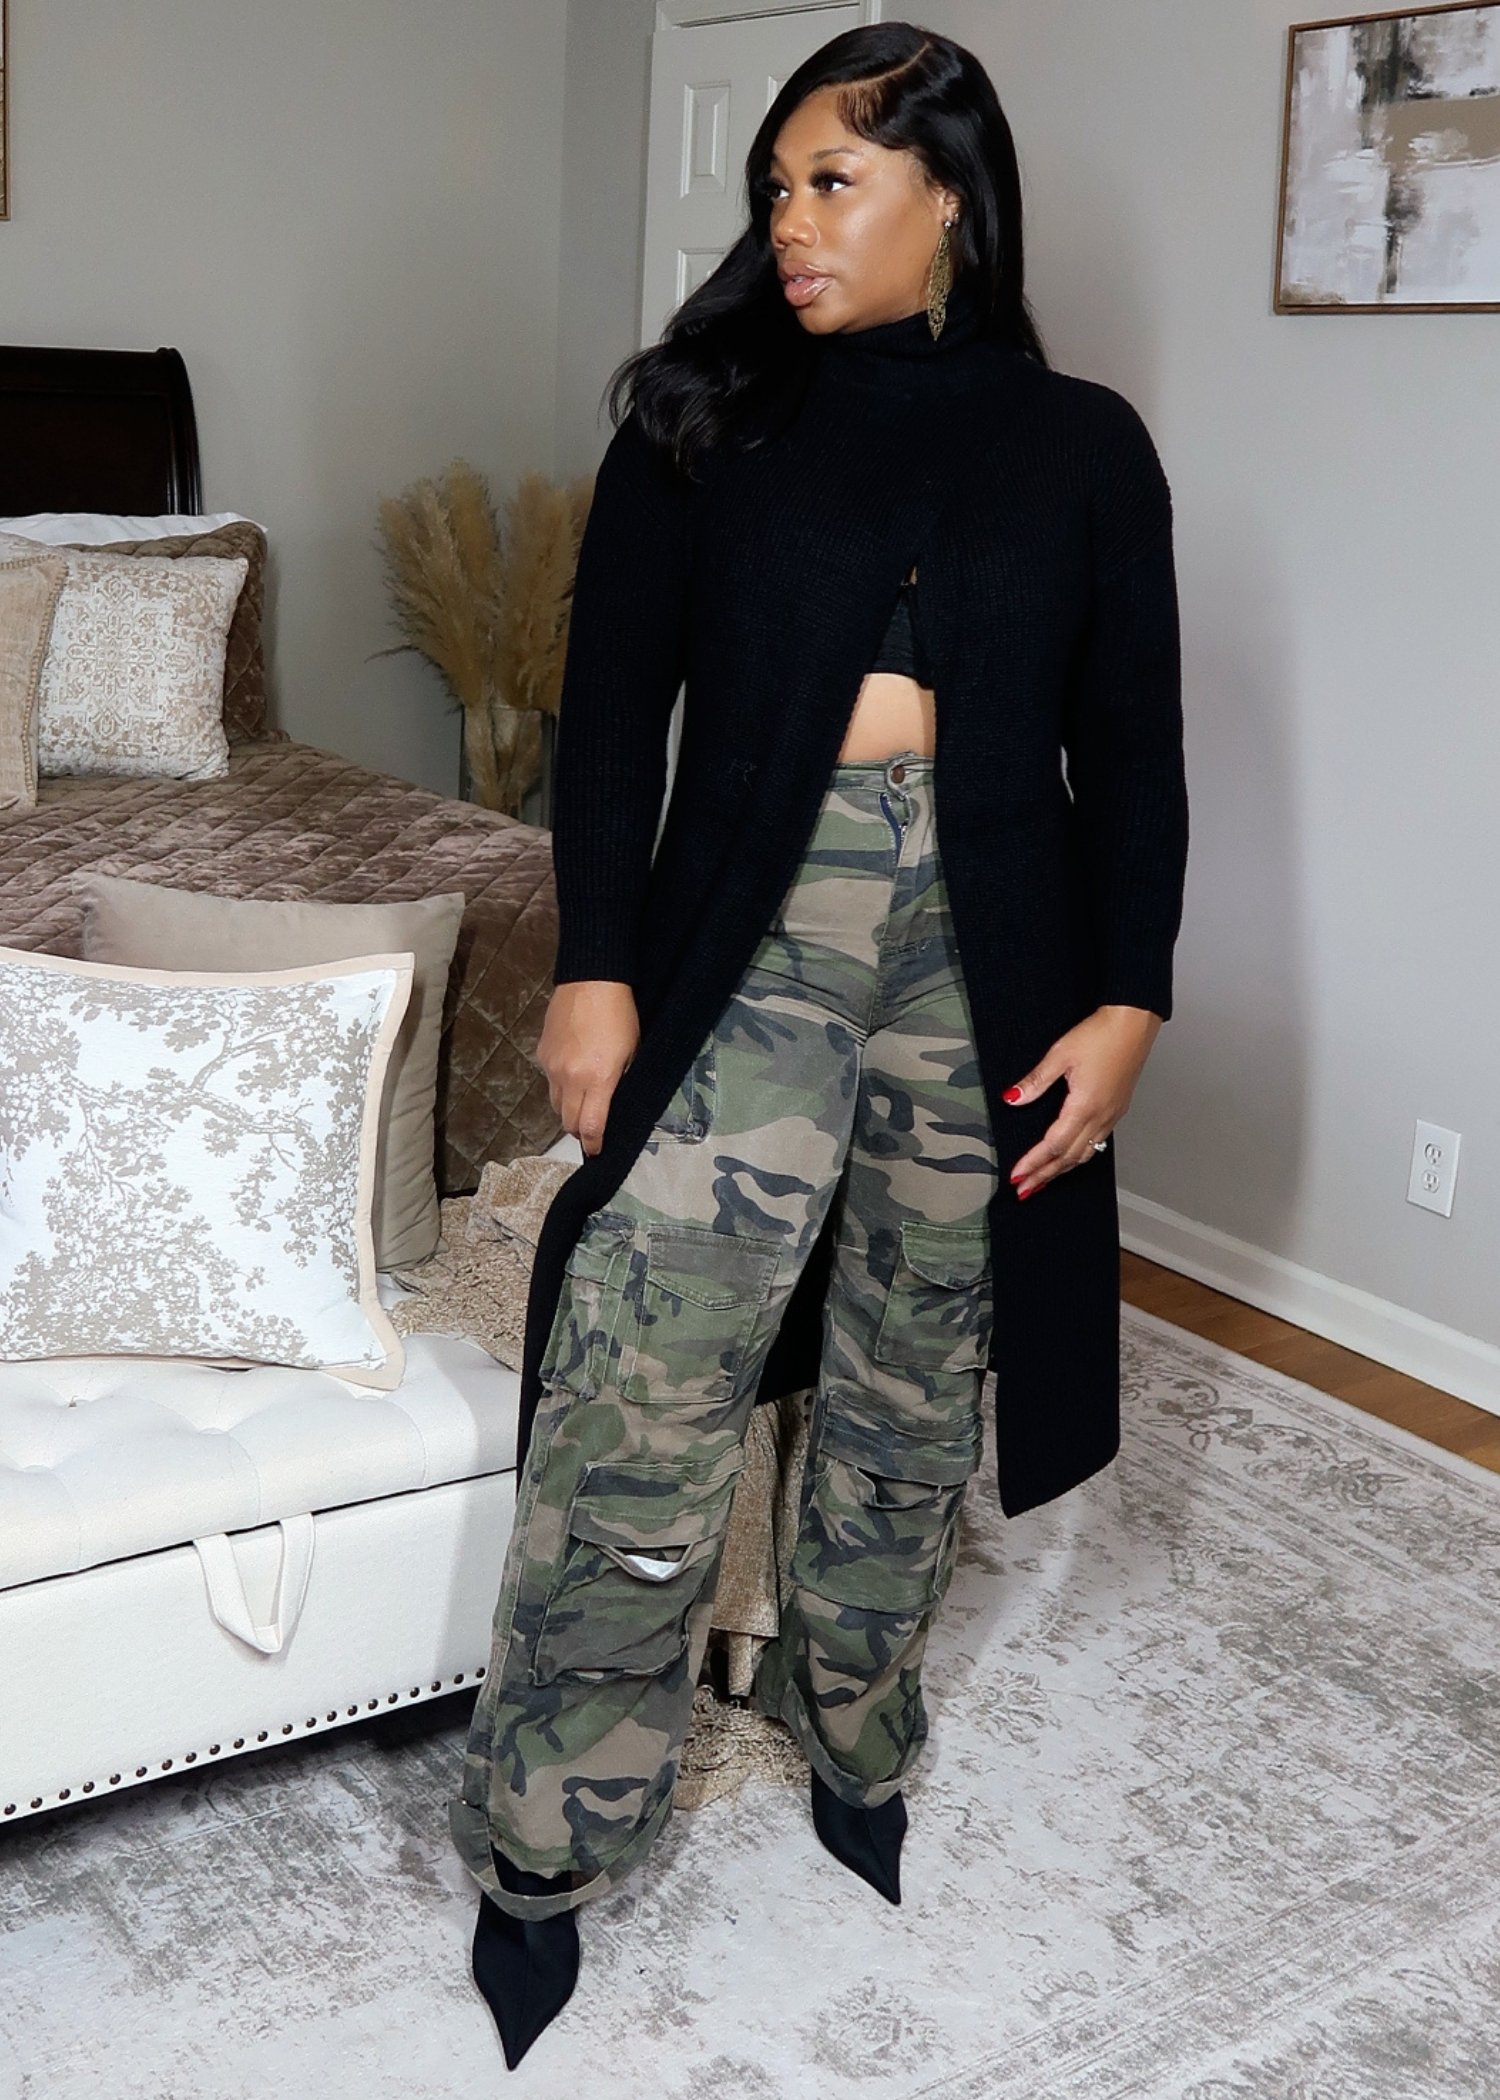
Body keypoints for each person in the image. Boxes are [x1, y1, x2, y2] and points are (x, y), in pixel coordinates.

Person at [452, 20, 1188, 2068]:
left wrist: (1131, 995)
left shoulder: (1083, 444)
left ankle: (852, 1725)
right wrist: (596, 964)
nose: (789, 221)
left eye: (833, 182)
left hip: (998, 956)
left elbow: (1132, 741)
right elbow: (613, 712)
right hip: (754, 933)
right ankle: (546, 1842)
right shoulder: (705, 418)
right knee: (646, 1374)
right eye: (774, 187)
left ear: (952, 194)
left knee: (914, 1372)